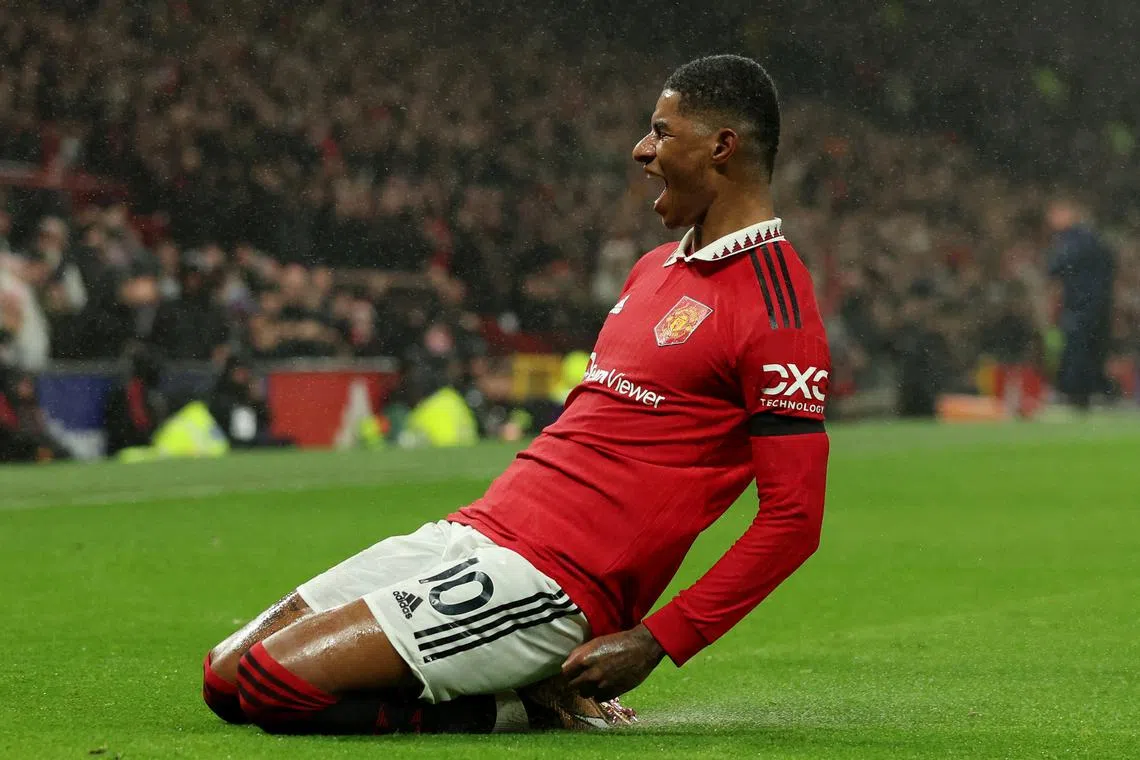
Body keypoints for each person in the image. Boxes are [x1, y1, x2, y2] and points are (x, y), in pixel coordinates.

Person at [202, 55, 831, 736]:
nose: (640, 149)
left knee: (277, 685)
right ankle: (527, 691)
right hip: (476, 530)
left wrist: (655, 640)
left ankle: (522, 706)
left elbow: (793, 520)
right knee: (225, 679)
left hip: (557, 579)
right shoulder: (653, 269)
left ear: (722, 147)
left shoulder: (777, 307)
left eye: (661, 132)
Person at [1045, 198, 1117, 409]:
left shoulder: (1070, 241)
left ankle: (1073, 394)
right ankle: (1095, 392)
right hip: (1100, 305)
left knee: (1075, 349)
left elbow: (1054, 267)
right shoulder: (1097, 239)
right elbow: (1110, 266)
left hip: (1078, 305)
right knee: (1094, 349)